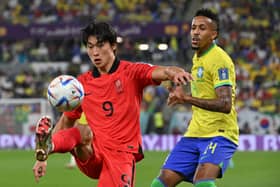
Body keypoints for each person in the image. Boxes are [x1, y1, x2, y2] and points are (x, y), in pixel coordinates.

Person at [32, 21, 193, 187]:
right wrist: (43, 158)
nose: (95, 52)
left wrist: (176, 72)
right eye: (90, 46)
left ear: (114, 46)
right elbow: (66, 121)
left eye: (100, 45)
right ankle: (49, 145)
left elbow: (161, 71)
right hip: (92, 153)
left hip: (121, 154)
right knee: (82, 130)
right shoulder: (81, 85)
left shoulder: (131, 72)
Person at [151, 8, 239, 187]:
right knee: (160, 183)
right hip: (194, 134)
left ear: (213, 34)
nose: (195, 32)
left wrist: (186, 99)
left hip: (219, 134)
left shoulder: (219, 59)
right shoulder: (197, 58)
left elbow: (225, 104)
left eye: (202, 28)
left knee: (202, 182)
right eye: (193, 28)